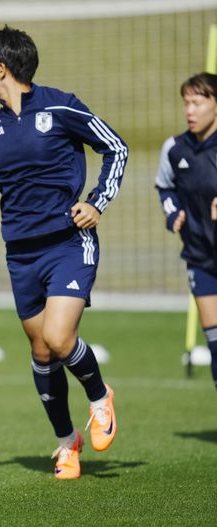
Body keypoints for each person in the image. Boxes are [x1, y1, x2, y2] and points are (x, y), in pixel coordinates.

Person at [0, 26, 126, 480]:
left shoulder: (60, 105)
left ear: (2, 70)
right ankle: (67, 442)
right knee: (42, 349)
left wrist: (96, 201)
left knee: (60, 337)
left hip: (68, 243)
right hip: (21, 254)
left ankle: (100, 394)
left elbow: (116, 148)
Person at [156, 72, 217, 389]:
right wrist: (173, 213)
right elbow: (165, 187)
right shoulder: (174, 148)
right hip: (199, 256)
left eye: (197, 102)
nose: (190, 110)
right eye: (186, 103)